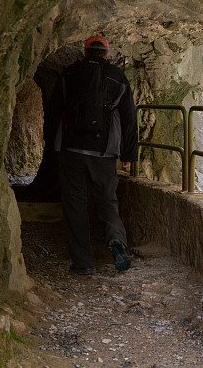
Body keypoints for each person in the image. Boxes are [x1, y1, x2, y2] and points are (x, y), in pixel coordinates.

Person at [52, 35, 138, 274]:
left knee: (74, 205)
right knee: (107, 201)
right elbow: (130, 118)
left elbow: (53, 111)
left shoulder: (68, 74)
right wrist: (129, 154)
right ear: (107, 54)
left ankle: (83, 263)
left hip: (71, 150)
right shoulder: (117, 78)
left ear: (85, 52)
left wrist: (52, 148)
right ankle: (117, 241)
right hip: (104, 152)